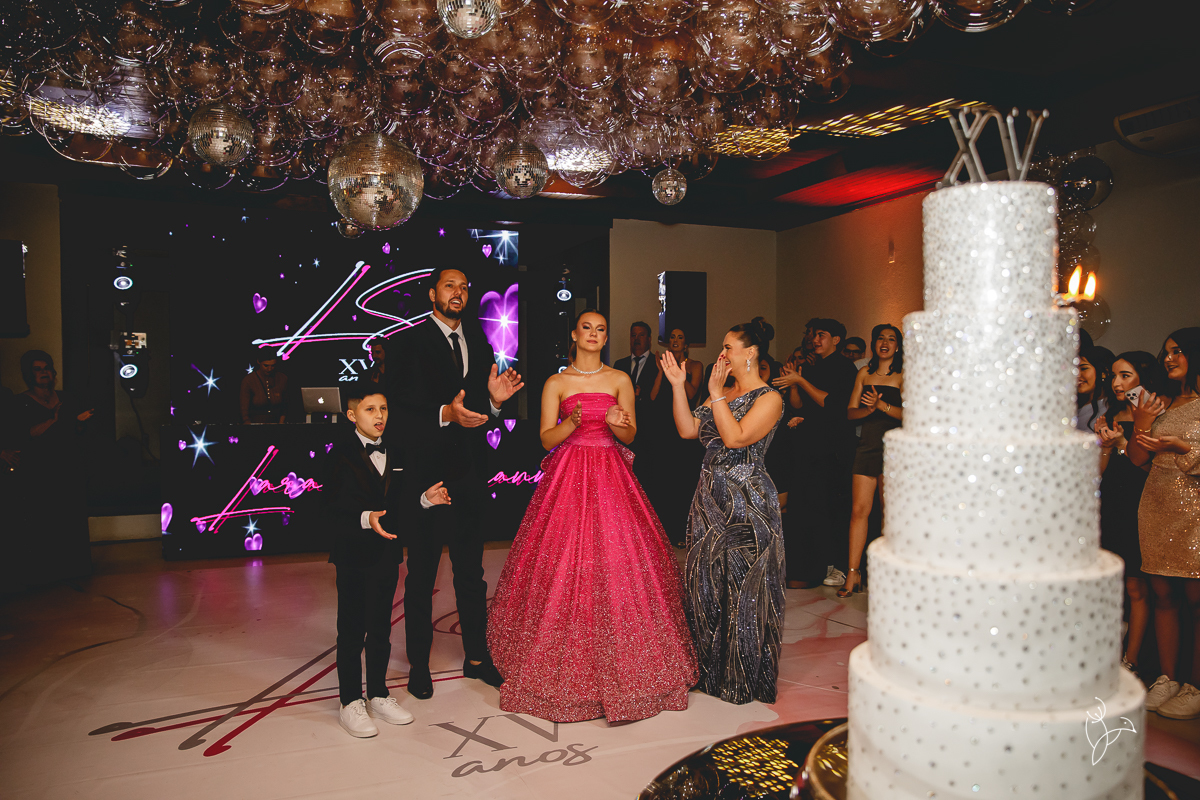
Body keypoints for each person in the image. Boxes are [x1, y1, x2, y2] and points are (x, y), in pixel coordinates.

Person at [487, 310, 697, 722]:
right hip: (568, 474)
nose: (594, 334)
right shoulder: (557, 382)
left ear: (605, 337)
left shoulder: (619, 380)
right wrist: (571, 422)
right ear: (574, 333)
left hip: (610, 471)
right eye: (587, 327)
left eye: (601, 329)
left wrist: (617, 423)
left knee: (618, 559)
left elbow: (630, 434)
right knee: (564, 559)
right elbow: (545, 438)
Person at [390, 266, 523, 699]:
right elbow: (398, 412)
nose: (459, 292)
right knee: (421, 574)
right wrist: (445, 414)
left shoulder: (479, 342)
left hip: (468, 475)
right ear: (432, 294)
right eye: (450, 285)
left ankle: (477, 659)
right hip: (425, 478)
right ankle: (419, 666)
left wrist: (496, 404)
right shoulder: (407, 342)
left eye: (465, 287)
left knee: (471, 574)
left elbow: (479, 407)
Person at [664, 317, 784, 704]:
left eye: (728, 347)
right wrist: (678, 385)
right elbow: (687, 430)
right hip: (709, 499)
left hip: (748, 503)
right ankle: (708, 672)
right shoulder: (724, 392)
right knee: (705, 583)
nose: (722, 354)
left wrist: (715, 393)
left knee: (744, 588)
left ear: (751, 353)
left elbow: (736, 438)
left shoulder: (769, 398)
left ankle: (741, 678)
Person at [322, 382, 451, 738]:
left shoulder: (395, 451)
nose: (379, 416)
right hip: (352, 554)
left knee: (380, 627)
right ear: (351, 415)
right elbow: (328, 509)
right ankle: (350, 701)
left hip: (386, 554)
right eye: (370, 409)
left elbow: (399, 503)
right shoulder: (338, 454)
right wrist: (366, 519)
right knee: (352, 630)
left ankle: (377, 692)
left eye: (383, 409)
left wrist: (424, 500)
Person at [1130, 327, 1200, 720]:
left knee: (1196, 600)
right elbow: (1137, 458)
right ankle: (1168, 678)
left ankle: (1195, 686)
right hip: (1155, 504)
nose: (1169, 358)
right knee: (1163, 595)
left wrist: (1183, 447)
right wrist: (1141, 421)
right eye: (1167, 352)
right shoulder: (1162, 401)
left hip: (1195, 508)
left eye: (1178, 351)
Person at [772, 318, 859, 589]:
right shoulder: (813, 366)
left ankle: (839, 565)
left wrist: (800, 379)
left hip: (834, 448)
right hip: (810, 445)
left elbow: (831, 404)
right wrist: (794, 385)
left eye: (822, 335)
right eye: (815, 335)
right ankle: (815, 563)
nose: (815, 340)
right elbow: (800, 405)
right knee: (809, 506)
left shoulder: (845, 367)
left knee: (833, 507)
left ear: (836, 340)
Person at [1095, 351, 1166, 678]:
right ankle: (1107, 652)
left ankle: (1132, 660)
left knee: (1137, 586)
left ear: (1144, 378)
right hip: (1112, 502)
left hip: (1141, 502)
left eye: (1125, 375)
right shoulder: (1111, 413)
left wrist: (1124, 442)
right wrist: (1106, 446)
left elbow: (1148, 467)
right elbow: (1101, 471)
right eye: (1113, 375)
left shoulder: (1156, 414)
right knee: (1110, 581)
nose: (1117, 382)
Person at [11, 350, 95, 585]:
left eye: (46, 368)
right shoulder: (21, 402)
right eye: (37, 369)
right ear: (29, 374)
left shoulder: (67, 398)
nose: (43, 373)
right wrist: (54, 420)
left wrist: (79, 422)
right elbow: (26, 434)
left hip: (68, 464)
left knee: (71, 515)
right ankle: (46, 571)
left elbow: (77, 432)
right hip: (40, 468)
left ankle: (74, 568)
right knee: (44, 517)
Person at [839, 324, 903, 597]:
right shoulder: (864, 373)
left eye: (891, 339)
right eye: (880, 338)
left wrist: (882, 406)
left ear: (897, 346)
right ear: (874, 343)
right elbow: (850, 413)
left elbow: (911, 414)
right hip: (867, 445)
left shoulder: (903, 375)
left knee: (889, 513)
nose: (885, 343)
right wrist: (867, 410)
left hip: (893, 449)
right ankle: (853, 573)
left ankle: (888, 576)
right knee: (859, 511)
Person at [649, 326, 705, 546]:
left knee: (682, 481)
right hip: (662, 428)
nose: (675, 340)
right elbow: (653, 396)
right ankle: (662, 533)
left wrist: (679, 376)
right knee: (663, 480)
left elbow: (692, 394)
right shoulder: (663, 364)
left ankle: (681, 533)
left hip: (683, 427)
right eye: (672, 337)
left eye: (680, 337)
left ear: (686, 343)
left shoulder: (695, 366)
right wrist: (661, 371)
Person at [240, 354, 289, 423]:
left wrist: (281, 423)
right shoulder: (249, 380)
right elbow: (244, 409)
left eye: (273, 366)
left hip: (277, 422)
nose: (269, 369)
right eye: (266, 366)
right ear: (259, 362)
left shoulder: (282, 378)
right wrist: (248, 423)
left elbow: (285, 405)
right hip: (255, 423)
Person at [1077, 345, 1115, 432]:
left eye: (1084, 368)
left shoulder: (1111, 408)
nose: (1077, 375)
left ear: (1104, 373)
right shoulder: (1074, 404)